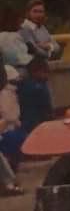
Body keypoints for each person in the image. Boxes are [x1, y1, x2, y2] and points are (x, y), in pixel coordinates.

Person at [0, 65, 24, 196]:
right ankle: (8, 183)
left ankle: (9, 181)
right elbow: (9, 116)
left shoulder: (9, 92)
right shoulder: (4, 94)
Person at [18, 57, 53, 136]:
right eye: (45, 72)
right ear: (35, 72)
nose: (47, 76)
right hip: (36, 121)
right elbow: (46, 105)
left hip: (27, 120)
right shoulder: (38, 87)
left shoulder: (24, 84)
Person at [0, 8, 33, 77]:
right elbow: (19, 59)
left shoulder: (1, 36)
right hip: (15, 71)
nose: (22, 21)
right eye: (20, 19)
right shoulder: (14, 37)